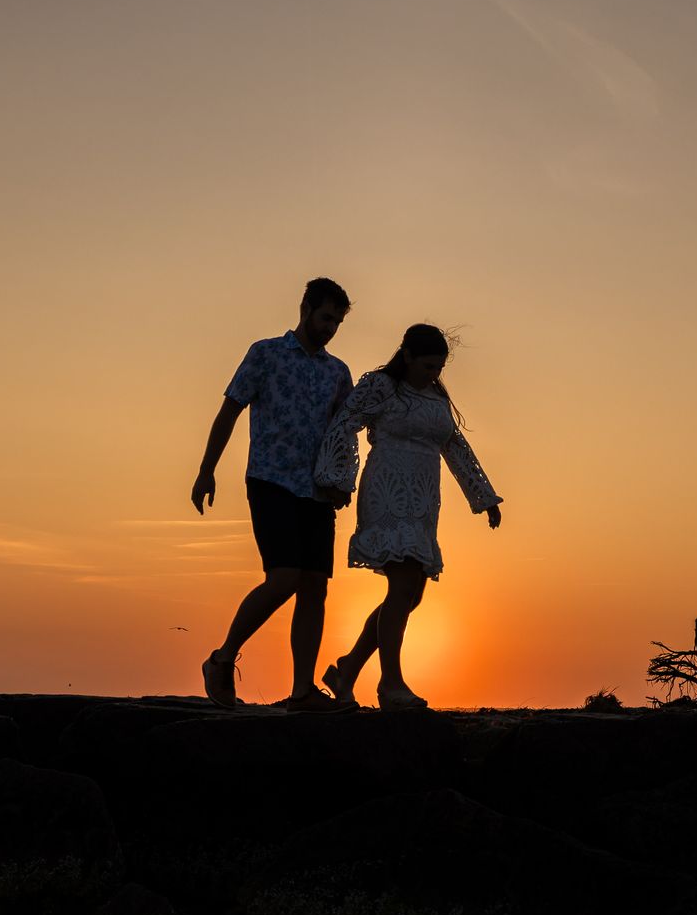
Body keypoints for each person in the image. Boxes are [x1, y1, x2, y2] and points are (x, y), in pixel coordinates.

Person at [313, 323, 503, 711]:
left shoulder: (435, 396)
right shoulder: (381, 386)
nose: (433, 374)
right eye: (427, 366)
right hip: (387, 490)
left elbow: (454, 445)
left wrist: (484, 497)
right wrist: (337, 479)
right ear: (408, 356)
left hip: (424, 499)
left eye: (439, 368)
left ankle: (347, 670)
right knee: (401, 589)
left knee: (411, 594)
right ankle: (391, 683)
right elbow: (344, 423)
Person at [190, 278, 354, 711]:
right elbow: (230, 409)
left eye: (337, 322)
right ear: (305, 309)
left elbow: (344, 435)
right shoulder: (265, 354)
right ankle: (222, 659)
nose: (330, 328)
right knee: (283, 578)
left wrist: (342, 482)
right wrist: (206, 470)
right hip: (270, 480)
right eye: (326, 318)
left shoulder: (338, 373)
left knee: (314, 587)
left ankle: (302, 692)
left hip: (317, 490)